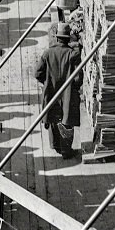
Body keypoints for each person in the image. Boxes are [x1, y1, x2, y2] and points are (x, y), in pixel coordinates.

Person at [34, 23, 84, 158]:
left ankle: (55, 144)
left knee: (53, 117)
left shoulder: (47, 53)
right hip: (68, 95)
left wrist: (47, 82)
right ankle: (66, 151)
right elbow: (78, 78)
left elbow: (37, 73)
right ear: (68, 39)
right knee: (66, 121)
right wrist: (73, 88)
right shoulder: (73, 54)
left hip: (51, 92)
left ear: (57, 38)